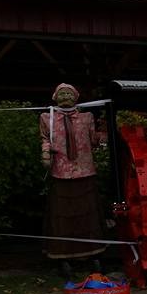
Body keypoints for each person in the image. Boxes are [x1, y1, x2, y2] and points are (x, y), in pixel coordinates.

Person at [39, 83, 105, 276]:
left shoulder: (86, 117)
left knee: (87, 213)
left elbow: (94, 140)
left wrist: (105, 131)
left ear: (76, 97)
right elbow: (45, 139)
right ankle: (64, 257)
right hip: (61, 172)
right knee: (62, 216)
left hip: (84, 170)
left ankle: (93, 254)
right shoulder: (47, 118)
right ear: (55, 97)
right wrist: (45, 153)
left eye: (69, 93)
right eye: (62, 93)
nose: (66, 96)